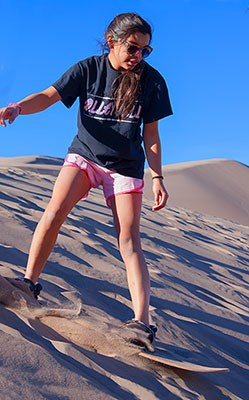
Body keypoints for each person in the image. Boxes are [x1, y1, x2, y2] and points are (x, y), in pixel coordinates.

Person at [0, 12, 173, 348]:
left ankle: (142, 323)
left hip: (125, 166)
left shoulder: (152, 81)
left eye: (145, 51)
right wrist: (17, 107)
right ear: (112, 41)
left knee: (128, 240)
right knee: (55, 210)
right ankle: (28, 284)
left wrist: (158, 177)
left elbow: (151, 135)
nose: (138, 55)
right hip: (85, 156)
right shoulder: (88, 69)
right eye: (133, 47)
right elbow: (49, 96)